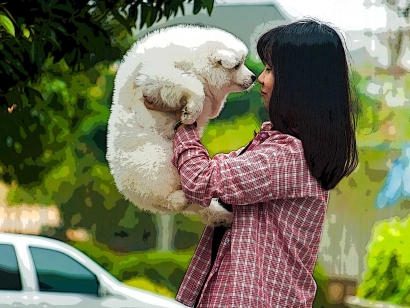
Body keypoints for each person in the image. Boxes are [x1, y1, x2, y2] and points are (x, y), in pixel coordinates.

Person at [144, 18, 358, 308]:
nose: (260, 77)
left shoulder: (288, 157)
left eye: (270, 69)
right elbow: (215, 171)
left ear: (299, 82)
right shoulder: (276, 147)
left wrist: (185, 120)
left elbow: (200, 180)